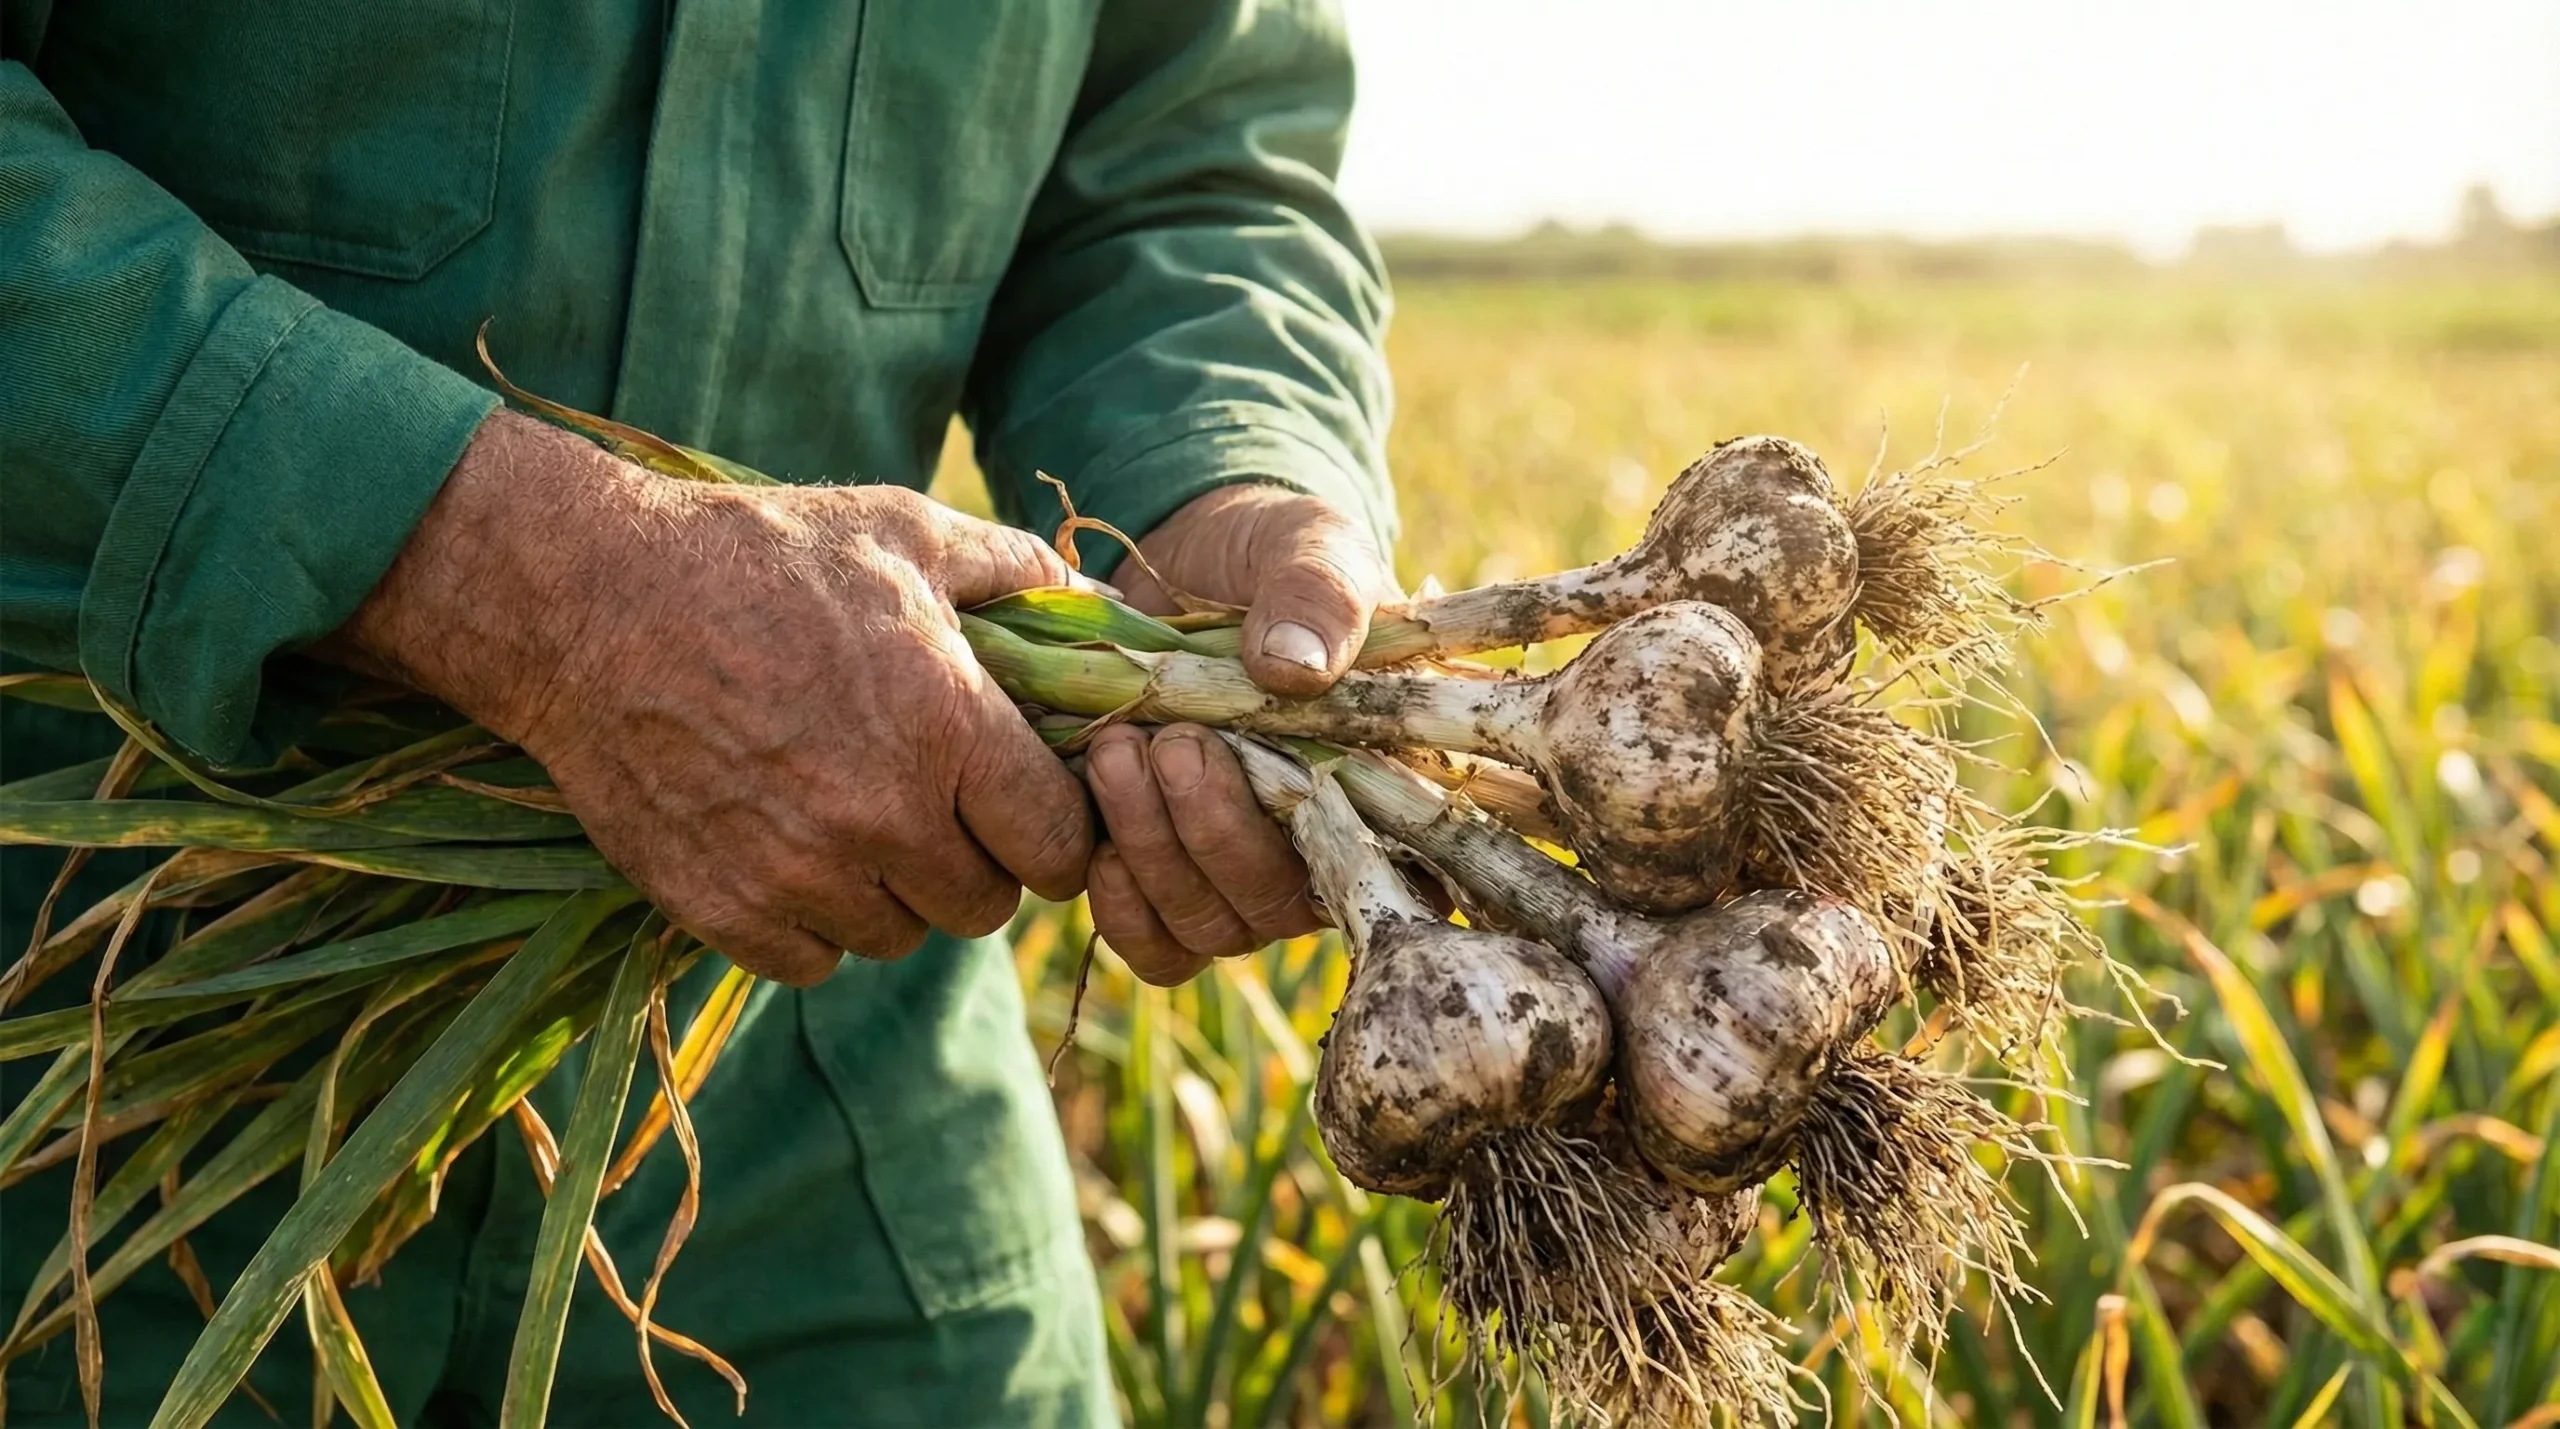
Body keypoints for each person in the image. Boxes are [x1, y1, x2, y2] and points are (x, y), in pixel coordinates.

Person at [0, 2, 1395, 1424]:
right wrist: (528, 581)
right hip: (103, 1049)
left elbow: (1183, 157)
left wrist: (1225, 476)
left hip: (831, 1087)